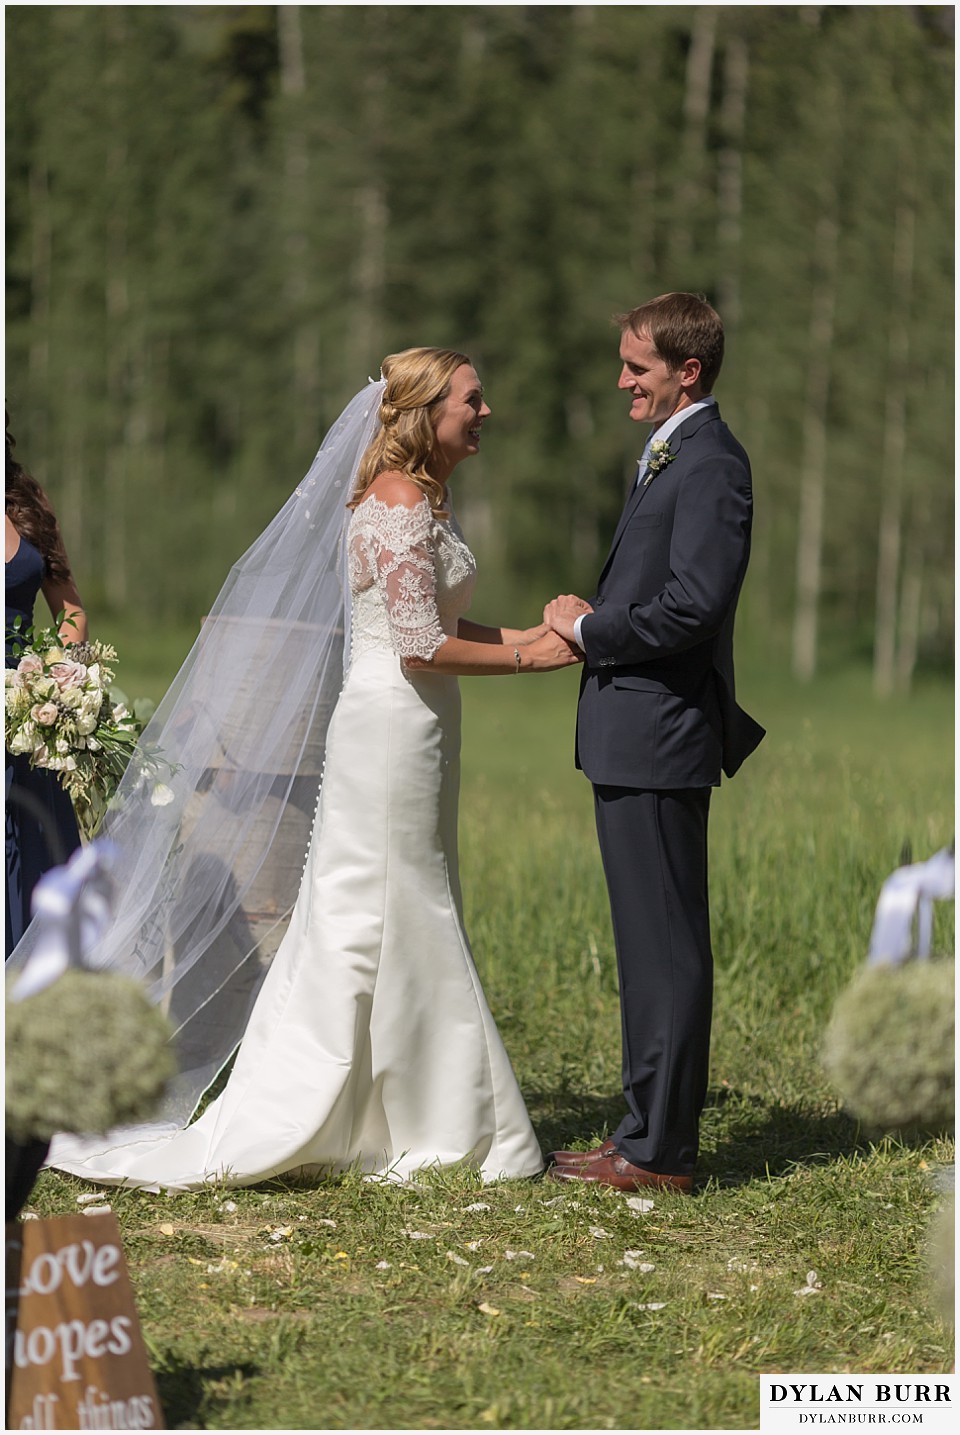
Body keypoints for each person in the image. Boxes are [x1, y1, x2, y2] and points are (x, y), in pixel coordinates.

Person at [28, 347, 581, 1190]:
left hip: (421, 723)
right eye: (474, 399)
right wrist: (535, 659)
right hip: (391, 726)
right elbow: (419, 643)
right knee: (401, 901)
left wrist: (546, 641)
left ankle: (389, 1107)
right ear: (428, 413)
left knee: (392, 902)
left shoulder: (423, 499)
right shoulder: (395, 500)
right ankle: (447, 1118)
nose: (487, 411)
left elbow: (439, 622)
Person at [543, 293, 764, 1194]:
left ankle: (659, 1151)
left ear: (689, 371)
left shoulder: (713, 464)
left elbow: (695, 603)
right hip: (631, 731)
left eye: (638, 367)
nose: (623, 379)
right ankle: (644, 1130)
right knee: (644, 943)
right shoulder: (675, 451)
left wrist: (595, 631)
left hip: (661, 730)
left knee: (666, 942)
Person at [5, 420, 88, 956]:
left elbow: (70, 609)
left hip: (27, 715)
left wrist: (62, 671)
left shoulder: (27, 502)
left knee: (36, 862)